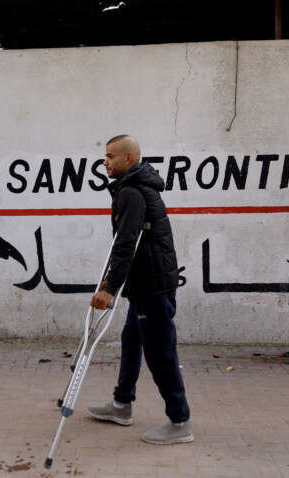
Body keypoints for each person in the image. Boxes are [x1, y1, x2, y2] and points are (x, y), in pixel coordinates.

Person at [88, 134, 192, 445]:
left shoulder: (132, 192)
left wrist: (110, 288)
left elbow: (125, 242)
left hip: (152, 284)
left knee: (160, 352)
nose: (105, 162)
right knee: (131, 339)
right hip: (145, 281)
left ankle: (179, 421)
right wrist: (112, 279)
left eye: (110, 156)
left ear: (128, 159)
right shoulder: (134, 187)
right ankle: (122, 404)